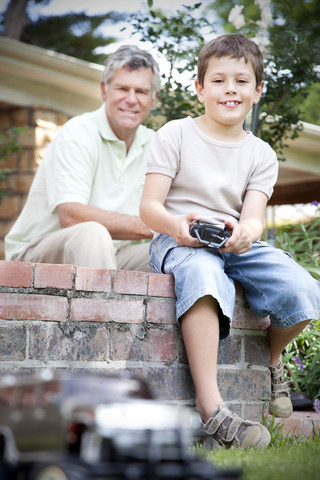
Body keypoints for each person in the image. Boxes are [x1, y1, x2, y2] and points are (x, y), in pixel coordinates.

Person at [139, 33, 320, 448]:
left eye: (241, 81)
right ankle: (212, 409)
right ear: (199, 87)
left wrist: (245, 235)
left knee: (304, 289)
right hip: (179, 239)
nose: (230, 90)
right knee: (203, 274)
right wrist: (175, 224)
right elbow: (149, 208)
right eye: (218, 80)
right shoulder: (175, 134)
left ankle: (272, 360)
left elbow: (253, 219)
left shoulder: (261, 154)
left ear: (258, 91)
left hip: (234, 241)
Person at [5, 45, 160, 271]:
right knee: (92, 232)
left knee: (172, 253)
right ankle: (103, 308)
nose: (131, 99)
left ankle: (202, 307)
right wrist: (157, 226)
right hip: (35, 259)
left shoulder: (157, 144)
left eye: (141, 91)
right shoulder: (78, 132)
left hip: (112, 256)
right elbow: (71, 215)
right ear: (104, 90)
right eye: (122, 88)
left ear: (154, 98)